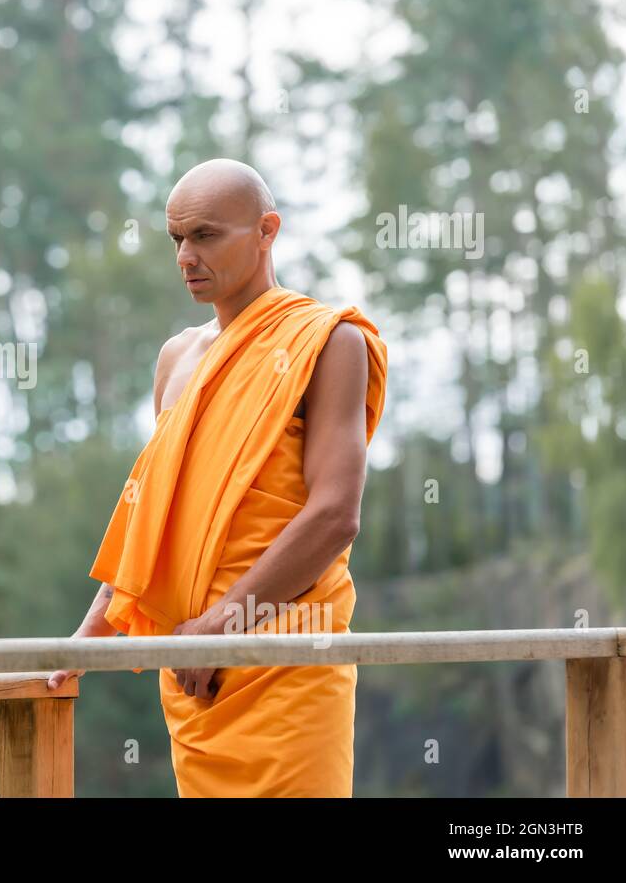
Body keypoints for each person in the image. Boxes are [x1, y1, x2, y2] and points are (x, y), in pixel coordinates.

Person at [47, 158, 388, 797]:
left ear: (267, 230)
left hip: (284, 661)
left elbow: (335, 514)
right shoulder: (176, 357)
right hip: (195, 678)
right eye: (176, 238)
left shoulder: (328, 340)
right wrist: (82, 646)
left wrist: (222, 626)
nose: (185, 256)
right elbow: (155, 514)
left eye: (205, 235)